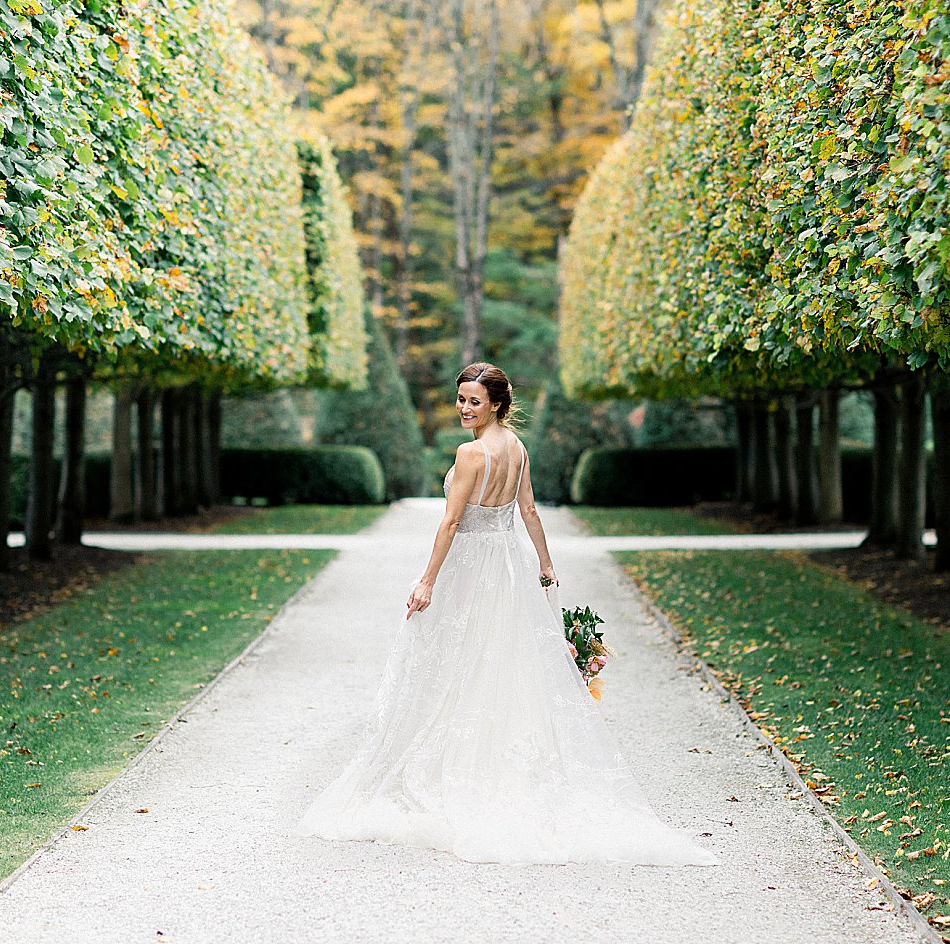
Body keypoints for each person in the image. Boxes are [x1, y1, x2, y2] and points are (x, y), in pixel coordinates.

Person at [298, 361, 715, 866]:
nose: (464, 408)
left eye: (474, 401)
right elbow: (528, 512)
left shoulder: (471, 453)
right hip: (506, 565)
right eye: (460, 399)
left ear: (496, 403)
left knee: (458, 662)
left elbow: (451, 523)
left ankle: (455, 774)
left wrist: (427, 580)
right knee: (499, 660)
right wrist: (543, 562)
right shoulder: (515, 449)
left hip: (470, 565)